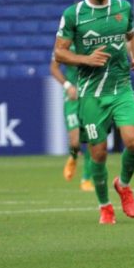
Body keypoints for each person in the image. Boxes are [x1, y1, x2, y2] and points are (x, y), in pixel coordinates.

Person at [54, 0, 134, 225]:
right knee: (99, 153)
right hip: (91, 94)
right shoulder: (74, 14)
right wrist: (85, 59)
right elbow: (59, 52)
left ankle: (124, 184)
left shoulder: (122, 8)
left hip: (120, 89)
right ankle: (105, 206)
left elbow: (131, 37)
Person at [50, 50, 94, 191]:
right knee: (75, 142)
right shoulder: (65, 43)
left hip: (90, 95)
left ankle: (86, 180)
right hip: (72, 98)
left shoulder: (92, 38)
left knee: (91, 139)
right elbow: (54, 68)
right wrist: (67, 86)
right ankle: (73, 156)